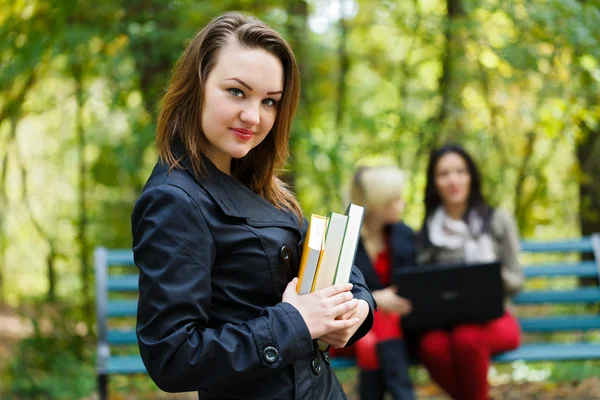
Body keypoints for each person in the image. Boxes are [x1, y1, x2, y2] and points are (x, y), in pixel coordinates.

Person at [130, 12, 375, 400]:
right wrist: (294, 324)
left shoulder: (263, 185)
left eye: (270, 101)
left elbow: (326, 267)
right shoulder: (173, 199)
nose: (253, 116)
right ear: (197, 86)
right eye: (236, 92)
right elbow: (173, 357)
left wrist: (357, 309)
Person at [415, 144, 524, 400]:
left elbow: (517, 280)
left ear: (471, 176)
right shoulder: (429, 232)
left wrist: (490, 275)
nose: (453, 180)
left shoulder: (498, 220)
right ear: (434, 183)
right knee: (431, 346)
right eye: (444, 174)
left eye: (460, 171)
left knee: (467, 339)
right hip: (445, 322)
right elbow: (423, 285)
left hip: (496, 318)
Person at [349, 166, 416, 400]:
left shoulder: (403, 235)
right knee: (373, 333)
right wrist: (375, 299)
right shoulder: (347, 238)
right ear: (379, 202)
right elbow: (333, 286)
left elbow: (415, 280)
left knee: (375, 337)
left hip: (399, 324)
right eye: (396, 198)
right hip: (351, 325)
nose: (403, 203)